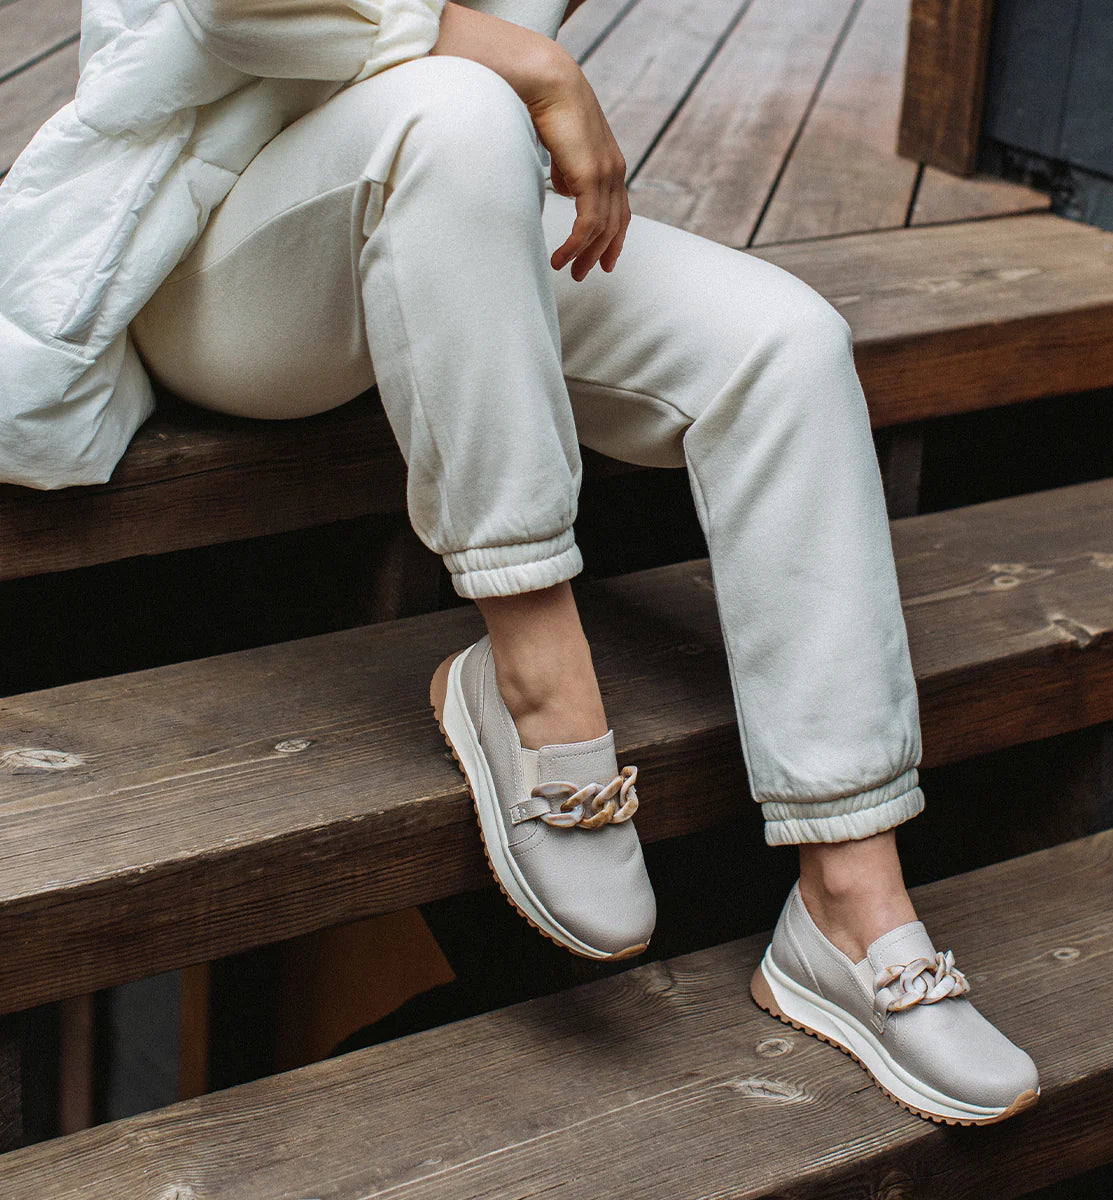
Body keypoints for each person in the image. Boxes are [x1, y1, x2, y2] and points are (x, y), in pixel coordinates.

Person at [0, 0, 1039, 1126]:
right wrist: (534, 66)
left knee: (786, 348)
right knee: (462, 107)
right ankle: (533, 674)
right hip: (218, 243)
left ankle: (851, 905)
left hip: (455, 219)